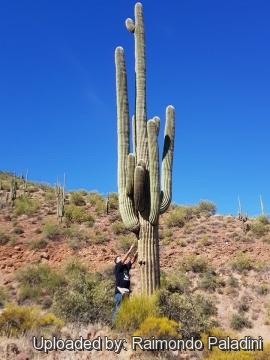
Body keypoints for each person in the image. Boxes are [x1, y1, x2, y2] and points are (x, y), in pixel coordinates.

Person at [112, 243, 138, 327]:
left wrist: (137, 252)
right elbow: (125, 258)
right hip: (119, 291)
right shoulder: (117, 267)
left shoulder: (125, 267)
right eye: (119, 259)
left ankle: (123, 325)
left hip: (126, 291)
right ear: (117, 262)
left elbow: (132, 260)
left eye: (120, 258)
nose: (121, 259)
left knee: (125, 309)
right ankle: (114, 326)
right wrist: (130, 250)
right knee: (118, 309)